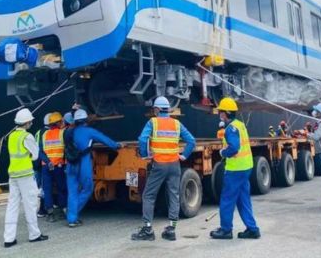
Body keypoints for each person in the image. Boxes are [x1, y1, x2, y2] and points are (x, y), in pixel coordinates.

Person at [132, 96, 196, 241]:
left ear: (157, 109)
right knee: (174, 195)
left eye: (154, 108)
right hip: (174, 165)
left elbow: (142, 139)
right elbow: (191, 141)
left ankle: (147, 230)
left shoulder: (153, 122)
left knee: (148, 195)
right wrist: (184, 155)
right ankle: (171, 230)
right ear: (168, 109)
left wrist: (144, 155)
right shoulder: (176, 123)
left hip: (159, 165)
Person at [210, 97, 260, 240]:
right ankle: (252, 229)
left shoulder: (230, 129)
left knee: (227, 199)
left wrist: (222, 152)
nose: (219, 114)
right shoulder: (239, 125)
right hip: (246, 166)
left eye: (220, 112)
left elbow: (233, 148)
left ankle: (226, 230)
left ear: (225, 113)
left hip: (235, 169)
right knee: (243, 199)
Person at [65, 108, 123, 227]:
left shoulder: (68, 132)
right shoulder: (90, 131)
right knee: (87, 188)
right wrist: (117, 145)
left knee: (72, 191)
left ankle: (71, 217)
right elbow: (105, 140)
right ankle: (73, 214)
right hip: (83, 162)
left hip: (70, 163)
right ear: (86, 120)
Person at [3, 108, 49, 248]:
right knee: (30, 204)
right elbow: (35, 155)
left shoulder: (11, 136)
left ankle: (9, 238)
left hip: (13, 175)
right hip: (26, 175)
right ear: (27, 122)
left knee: (12, 206)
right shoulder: (27, 136)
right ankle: (34, 234)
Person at [38, 112, 67, 222]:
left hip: (46, 167)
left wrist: (47, 161)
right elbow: (66, 150)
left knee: (47, 189)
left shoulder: (44, 135)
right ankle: (63, 209)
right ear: (58, 122)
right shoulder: (62, 133)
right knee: (61, 188)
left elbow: (40, 151)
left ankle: (50, 213)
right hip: (58, 166)